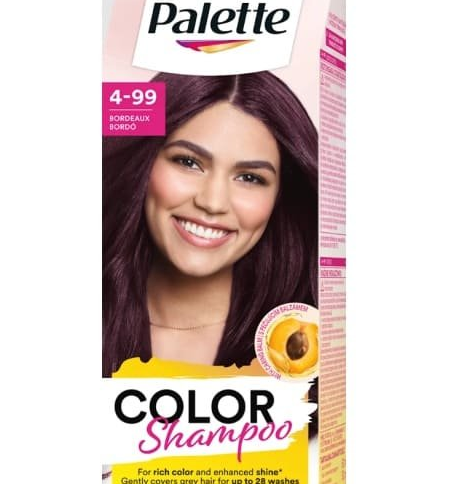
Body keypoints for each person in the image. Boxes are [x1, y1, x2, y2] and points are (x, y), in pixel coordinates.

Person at [103, 72, 318, 376]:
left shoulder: (312, 345)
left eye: (249, 178)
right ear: (144, 162)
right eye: (188, 162)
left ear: (280, 197)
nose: (213, 202)